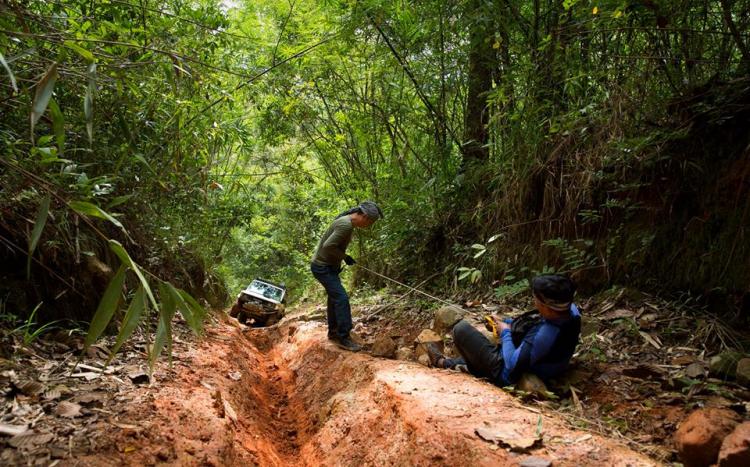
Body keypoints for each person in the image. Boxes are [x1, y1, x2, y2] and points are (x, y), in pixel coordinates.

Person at [427, 274, 581, 386]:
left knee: (460, 330)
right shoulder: (569, 311)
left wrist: (505, 332)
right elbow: (531, 328)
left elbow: (512, 365)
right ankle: (443, 363)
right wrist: (505, 322)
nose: (534, 302)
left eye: (536, 299)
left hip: (507, 374)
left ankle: (447, 364)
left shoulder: (546, 334)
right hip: (537, 362)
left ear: (546, 305)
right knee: (476, 353)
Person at [311, 201, 384, 352]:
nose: (370, 226)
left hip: (327, 267)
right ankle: (343, 336)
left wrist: (341, 259)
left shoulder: (347, 222)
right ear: (364, 216)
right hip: (322, 267)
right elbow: (328, 246)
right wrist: (345, 257)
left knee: (334, 297)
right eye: (371, 222)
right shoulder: (346, 225)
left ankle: (334, 332)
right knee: (342, 298)